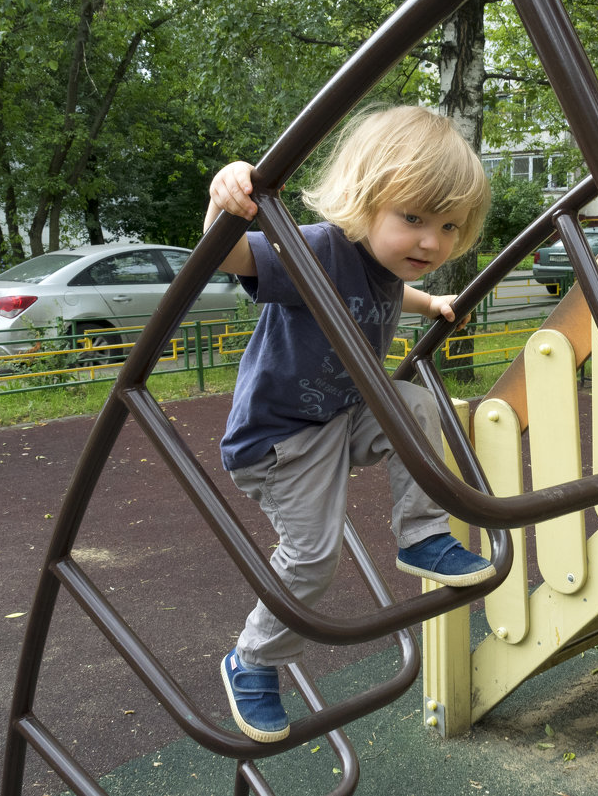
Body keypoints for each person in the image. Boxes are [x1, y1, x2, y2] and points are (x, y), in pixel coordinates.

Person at [203, 105, 495, 744]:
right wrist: (227, 194)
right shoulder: (317, 249)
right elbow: (227, 258)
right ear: (363, 201)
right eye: (412, 219)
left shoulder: (392, 268)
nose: (430, 242)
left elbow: (393, 294)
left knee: (415, 404)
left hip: (339, 411)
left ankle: (420, 535)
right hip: (282, 439)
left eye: (447, 226)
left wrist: (433, 302)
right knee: (312, 559)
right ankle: (251, 660)